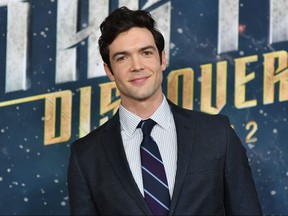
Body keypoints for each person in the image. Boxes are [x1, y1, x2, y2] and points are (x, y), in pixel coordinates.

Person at [67, 6, 262, 215]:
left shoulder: (216, 133)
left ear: (162, 59)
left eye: (146, 53)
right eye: (122, 57)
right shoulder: (86, 156)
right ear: (109, 70)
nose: (137, 66)